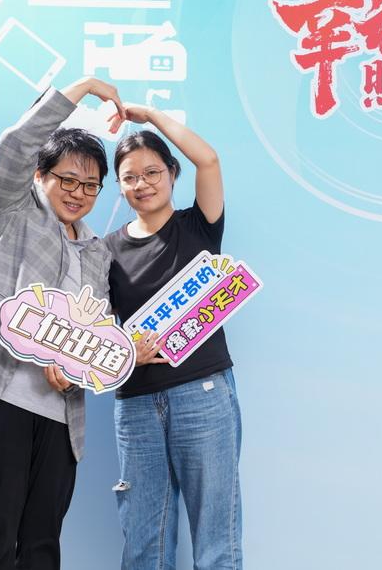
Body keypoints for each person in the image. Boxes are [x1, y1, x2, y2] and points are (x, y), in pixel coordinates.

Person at [0, 77, 125, 569]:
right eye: (67, 180)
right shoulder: (13, 208)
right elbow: (15, 145)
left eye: (91, 186)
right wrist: (85, 86)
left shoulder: (97, 252)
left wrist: (76, 370)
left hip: (60, 416)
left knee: (42, 548)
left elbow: (93, 329)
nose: (78, 193)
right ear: (40, 174)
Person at [105, 106, 242, 570]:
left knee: (216, 536)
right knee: (144, 539)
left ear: (171, 173)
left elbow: (209, 159)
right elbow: (98, 329)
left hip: (201, 393)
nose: (141, 184)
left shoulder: (198, 225)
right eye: (129, 177)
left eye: (152, 172)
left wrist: (148, 116)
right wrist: (125, 350)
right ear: (119, 186)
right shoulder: (105, 250)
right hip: (136, 404)